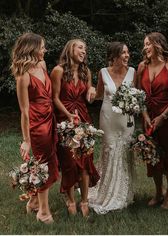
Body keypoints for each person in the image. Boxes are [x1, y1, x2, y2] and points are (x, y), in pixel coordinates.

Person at [11, 32, 59, 224]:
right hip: (37, 125)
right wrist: (26, 140)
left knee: (51, 162)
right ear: (32, 49)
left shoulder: (42, 65)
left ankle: (33, 202)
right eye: (42, 47)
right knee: (43, 165)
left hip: (50, 118)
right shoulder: (23, 76)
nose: (44, 50)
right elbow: (24, 111)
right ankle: (43, 212)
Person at [50, 39, 100, 217]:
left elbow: (89, 98)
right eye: (80, 47)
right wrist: (69, 115)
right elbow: (54, 98)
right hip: (65, 119)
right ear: (70, 49)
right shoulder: (58, 71)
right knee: (69, 162)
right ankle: (70, 200)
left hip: (83, 118)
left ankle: (85, 200)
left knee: (85, 160)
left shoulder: (86, 71)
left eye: (85, 49)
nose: (84, 51)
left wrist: (92, 91)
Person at [88, 41, 136, 214]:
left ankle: (124, 192)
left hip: (126, 120)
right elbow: (99, 94)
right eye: (123, 53)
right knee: (110, 149)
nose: (127, 56)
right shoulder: (103, 72)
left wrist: (134, 103)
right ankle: (107, 191)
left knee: (124, 151)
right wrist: (91, 93)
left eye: (127, 52)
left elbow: (136, 94)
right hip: (108, 118)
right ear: (114, 56)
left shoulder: (132, 72)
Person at [137, 32, 168, 209]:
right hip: (149, 116)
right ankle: (158, 191)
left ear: (158, 44)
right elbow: (139, 95)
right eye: (145, 44)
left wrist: (163, 116)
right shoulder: (142, 66)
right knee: (152, 154)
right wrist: (146, 116)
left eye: (148, 44)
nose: (145, 47)